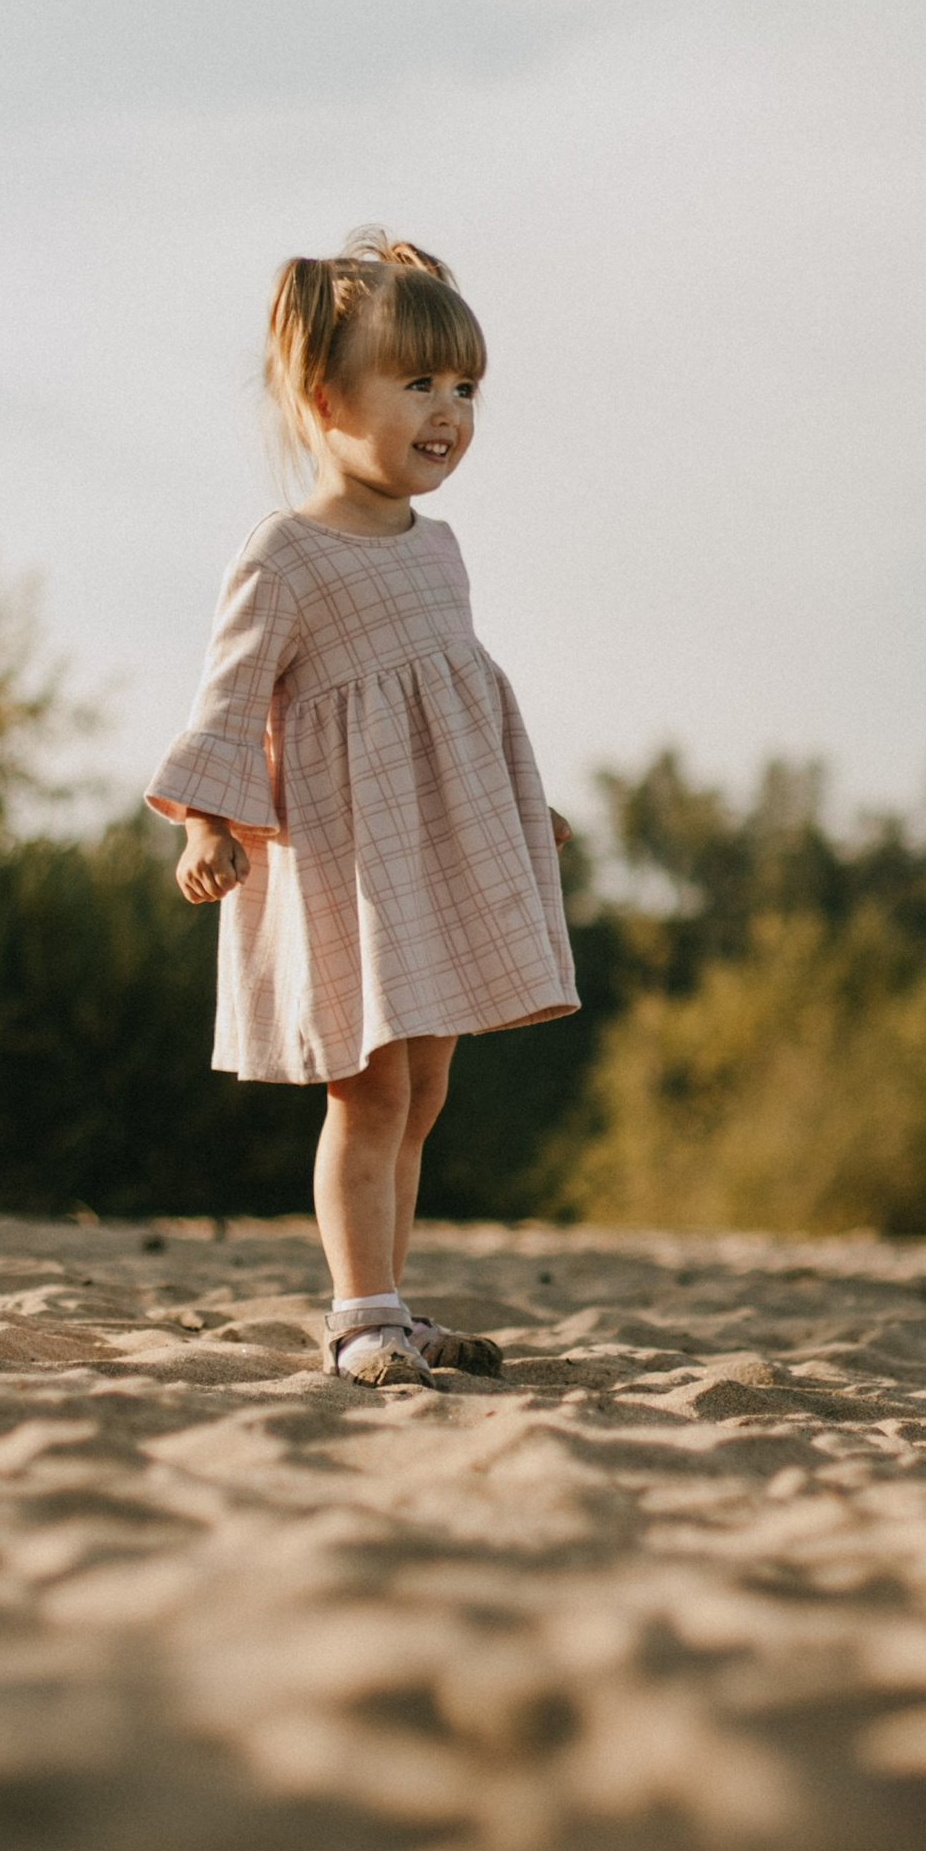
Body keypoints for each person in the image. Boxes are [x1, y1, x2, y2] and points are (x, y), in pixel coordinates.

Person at [147, 230, 577, 1386]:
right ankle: (359, 1316)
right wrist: (206, 823)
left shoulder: (439, 552)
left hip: (430, 850)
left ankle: (393, 1297)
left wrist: (523, 809)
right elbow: (230, 696)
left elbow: (464, 700)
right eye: (418, 381)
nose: (448, 409)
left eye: (464, 386)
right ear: (327, 393)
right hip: (345, 861)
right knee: (370, 1084)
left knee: (424, 1086)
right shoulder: (286, 552)